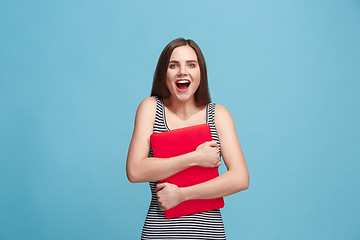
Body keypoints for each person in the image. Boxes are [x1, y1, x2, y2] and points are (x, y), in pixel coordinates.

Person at [126, 38, 249, 239]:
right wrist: (194, 157)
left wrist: (182, 195)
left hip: (208, 234)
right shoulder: (150, 108)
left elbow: (240, 178)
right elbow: (135, 171)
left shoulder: (218, 115)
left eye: (191, 64)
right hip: (160, 233)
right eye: (173, 65)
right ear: (163, 73)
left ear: (201, 73)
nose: (182, 71)